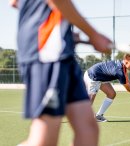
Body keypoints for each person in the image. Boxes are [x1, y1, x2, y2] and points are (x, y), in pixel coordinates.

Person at [10, 0, 112, 146]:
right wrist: (93, 35)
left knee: (88, 131)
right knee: (44, 141)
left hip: (62, 53)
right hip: (46, 51)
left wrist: (63, 29)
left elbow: (14, 2)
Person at [84, 54, 130, 122]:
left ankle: (99, 116)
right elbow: (128, 88)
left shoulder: (122, 65)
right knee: (90, 99)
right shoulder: (119, 71)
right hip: (92, 76)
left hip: (100, 76)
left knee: (111, 94)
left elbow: (126, 80)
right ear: (126, 62)